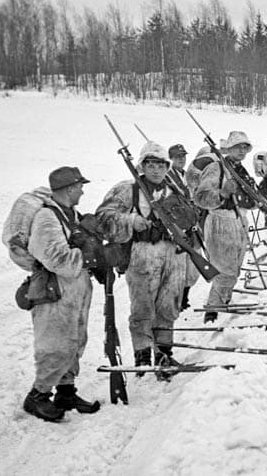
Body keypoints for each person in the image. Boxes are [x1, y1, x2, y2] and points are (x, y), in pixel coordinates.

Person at [97, 142, 188, 372]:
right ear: (142, 166)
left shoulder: (174, 188)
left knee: (169, 306)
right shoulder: (128, 189)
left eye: (160, 165)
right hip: (143, 253)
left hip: (172, 253)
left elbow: (190, 216)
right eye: (150, 165)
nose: (156, 170)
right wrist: (130, 221)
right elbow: (103, 217)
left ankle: (164, 353)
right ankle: (142, 356)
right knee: (143, 308)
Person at [23, 166, 100, 421]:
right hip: (55, 290)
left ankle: (66, 391)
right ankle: (37, 396)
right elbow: (59, 260)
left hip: (74, 289)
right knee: (55, 344)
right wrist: (89, 255)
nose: (82, 190)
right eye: (79, 186)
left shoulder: (69, 215)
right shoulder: (47, 218)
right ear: (68, 188)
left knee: (75, 339)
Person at [192, 132, 256, 324]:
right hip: (220, 221)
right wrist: (222, 193)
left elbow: (250, 200)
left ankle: (222, 302)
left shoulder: (240, 169)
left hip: (238, 221)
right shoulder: (217, 168)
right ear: (228, 149)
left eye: (245, 147)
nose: (242, 151)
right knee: (224, 270)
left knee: (234, 268)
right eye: (237, 147)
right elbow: (201, 197)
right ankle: (213, 311)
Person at [167, 144, 199, 311]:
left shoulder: (185, 176)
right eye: (177, 157)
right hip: (177, 225)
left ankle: (184, 299)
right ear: (170, 159)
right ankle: (177, 301)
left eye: (183, 156)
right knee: (178, 268)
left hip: (190, 223)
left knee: (191, 268)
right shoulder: (167, 177)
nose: (181, 159)